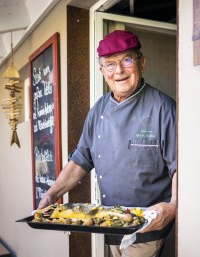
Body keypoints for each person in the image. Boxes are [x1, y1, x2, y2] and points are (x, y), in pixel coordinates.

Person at [38, 30, 177, 257]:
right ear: (103, 72)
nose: (119, 71)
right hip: (111, 224)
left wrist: (173, 206)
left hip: (146, 229)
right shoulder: (98, 110)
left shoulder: (163, 108)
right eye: (110, 64)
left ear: (142, 63)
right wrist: (52, 194)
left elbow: (178, 166)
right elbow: (81, 160)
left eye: (127, 60)